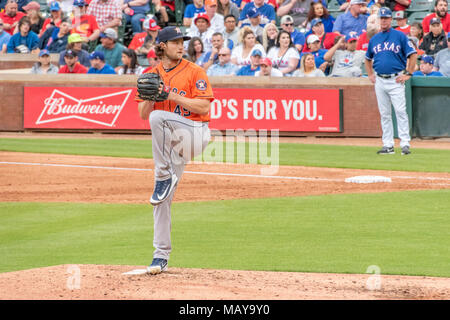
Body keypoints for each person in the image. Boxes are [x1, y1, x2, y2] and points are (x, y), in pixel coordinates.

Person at [135, 26, 214, 275]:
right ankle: (160, 256)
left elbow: (202, 105)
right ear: (162, 46)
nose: (181, 46)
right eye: (175, 42)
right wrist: (151, 96)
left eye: (182, 41)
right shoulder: (151, 74)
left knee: (159, 116)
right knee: (161, 200)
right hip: (172, 148)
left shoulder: (194, 71)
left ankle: (162, 176)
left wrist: (168, 94)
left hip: (195, 133)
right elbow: (141, 114)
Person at [364, 7, 417, 155]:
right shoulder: (374, 38)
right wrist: (370, 74)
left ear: (391, 19)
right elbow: (367, 59)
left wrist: (409, 73)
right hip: (380, 80)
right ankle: (388, 145)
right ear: (379, 20)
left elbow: (412, 54)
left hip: (396, 79)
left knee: (400, 111)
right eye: (381, 18)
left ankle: (405, 143)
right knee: (385, 113)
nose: (384, 20)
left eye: (386, 18)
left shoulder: (399, 36)